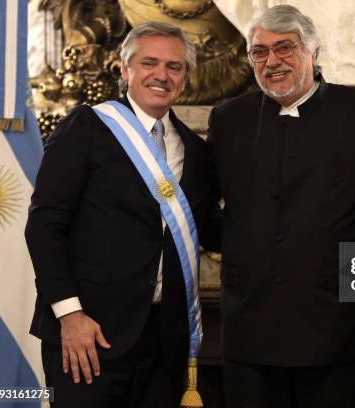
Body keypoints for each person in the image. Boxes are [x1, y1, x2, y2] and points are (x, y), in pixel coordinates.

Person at [25, 22, 220, 407]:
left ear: (185, 78)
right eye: (150, 63)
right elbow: (45, 225)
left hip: (163, 343)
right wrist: (69, 315)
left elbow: (209, 229)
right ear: (124, 68)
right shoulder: (87, 127)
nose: (161, 75)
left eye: (174, 66)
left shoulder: (196, 152)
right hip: (89, 337)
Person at [207, 5, 355, 408]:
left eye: (285, 48)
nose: (272, 61)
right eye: (259, 52)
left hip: (338, 332)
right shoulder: (228, 119)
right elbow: (203, 207)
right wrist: (243, 247)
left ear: (313, 52)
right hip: (250, 330)